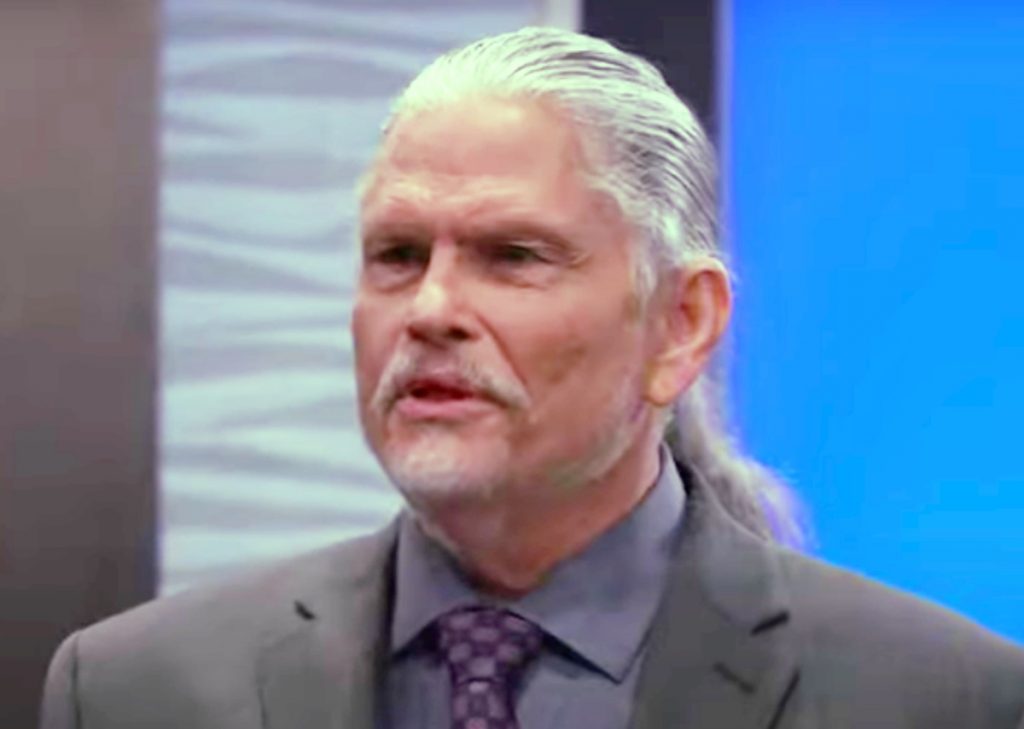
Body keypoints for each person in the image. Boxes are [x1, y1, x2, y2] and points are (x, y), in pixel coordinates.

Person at [41, 26, 1024, 729]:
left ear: (680, 325)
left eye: (513, 256)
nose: (430, 308)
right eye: (396, 255)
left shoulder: (941, 698)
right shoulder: (133, 691)